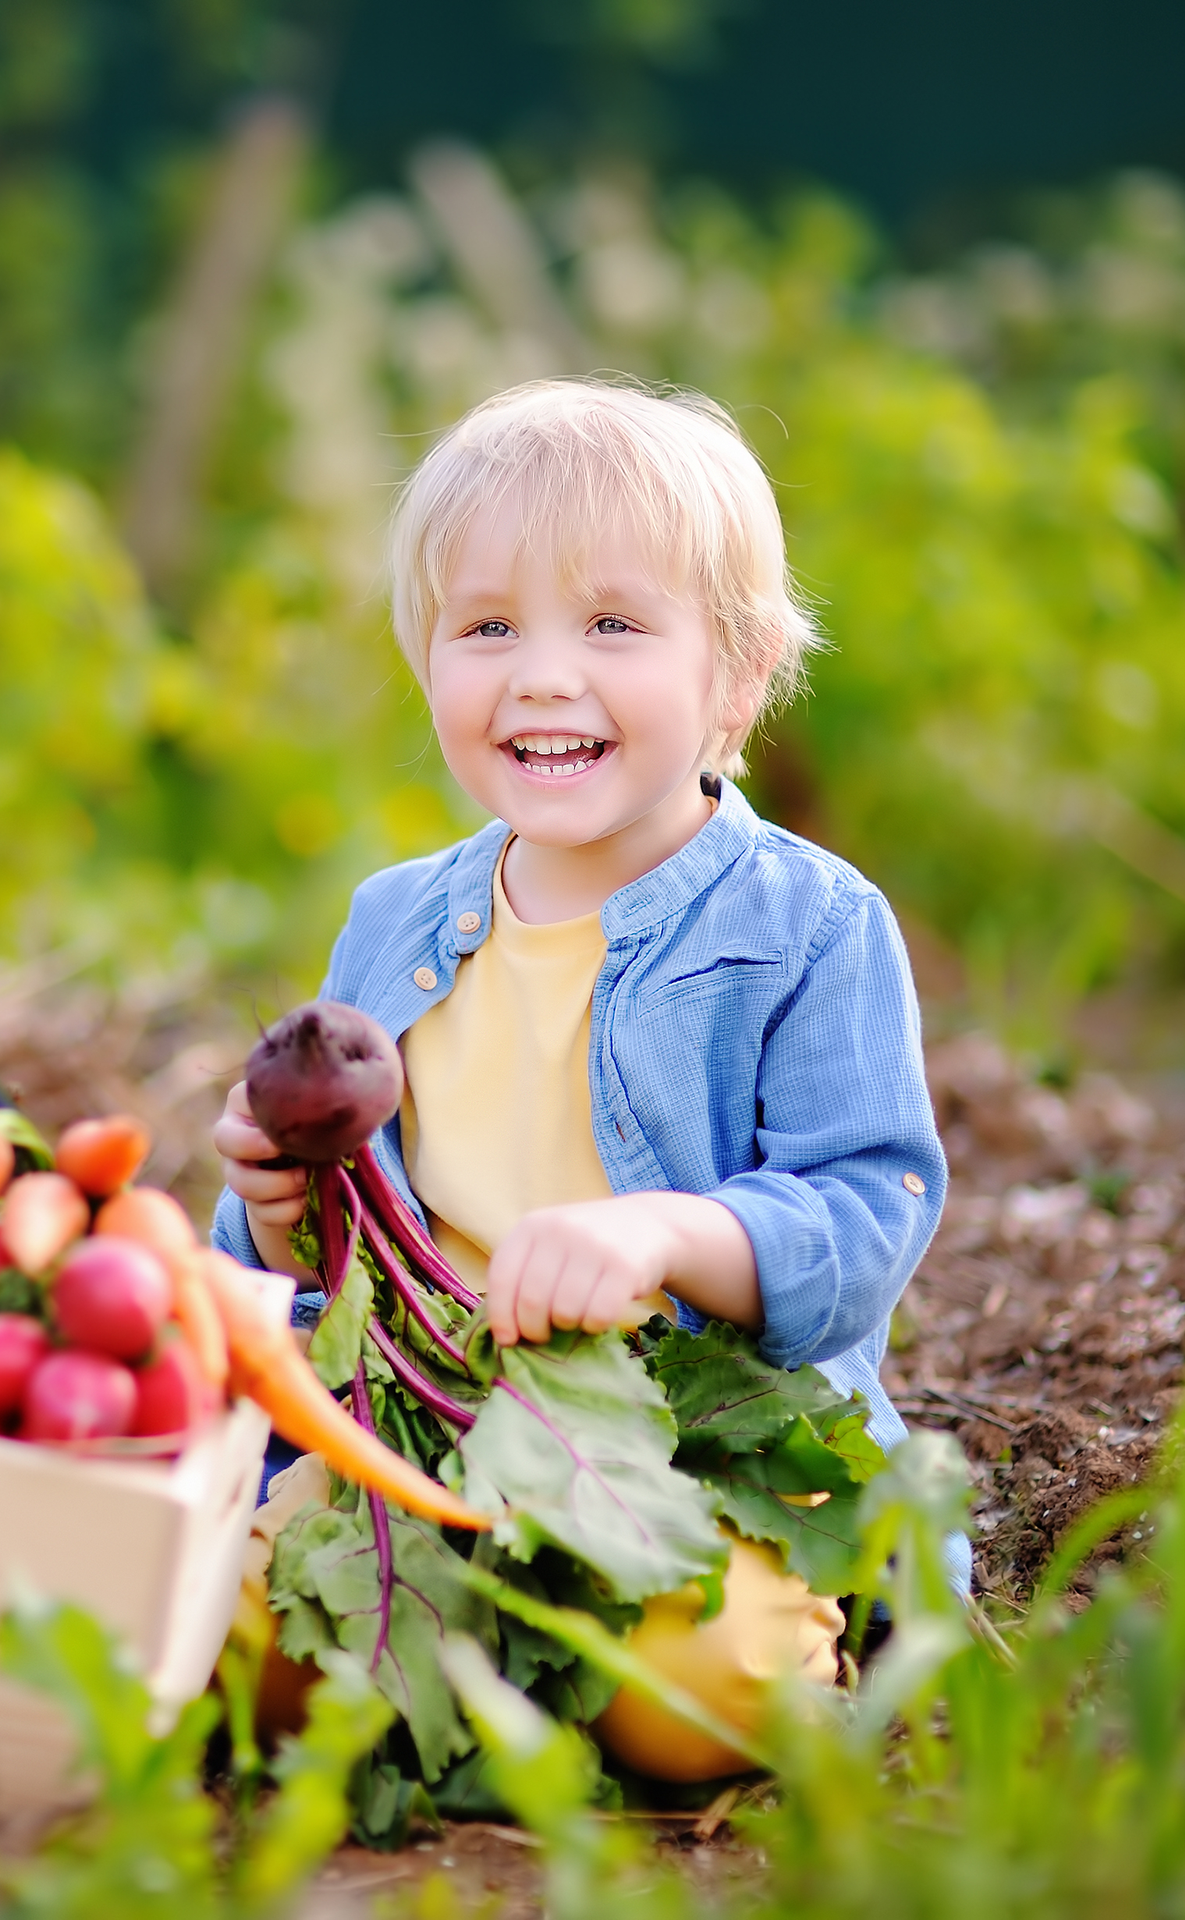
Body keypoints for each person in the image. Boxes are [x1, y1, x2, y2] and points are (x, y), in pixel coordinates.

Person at [210, 377, 960, 1778]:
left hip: (685, 1445)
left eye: (612, 624)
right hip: (428, 1431)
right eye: (487, 627)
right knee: (230, 1648)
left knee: (716, 1687)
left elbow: (864, 1212)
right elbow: (319, 1266)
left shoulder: (808, 925)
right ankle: (501, 1658)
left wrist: (667, 1233)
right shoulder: (394, 922)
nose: (543, 675)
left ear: (734, 675)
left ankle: (572, 1668)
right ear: (427, 663)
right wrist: (266, 1206)